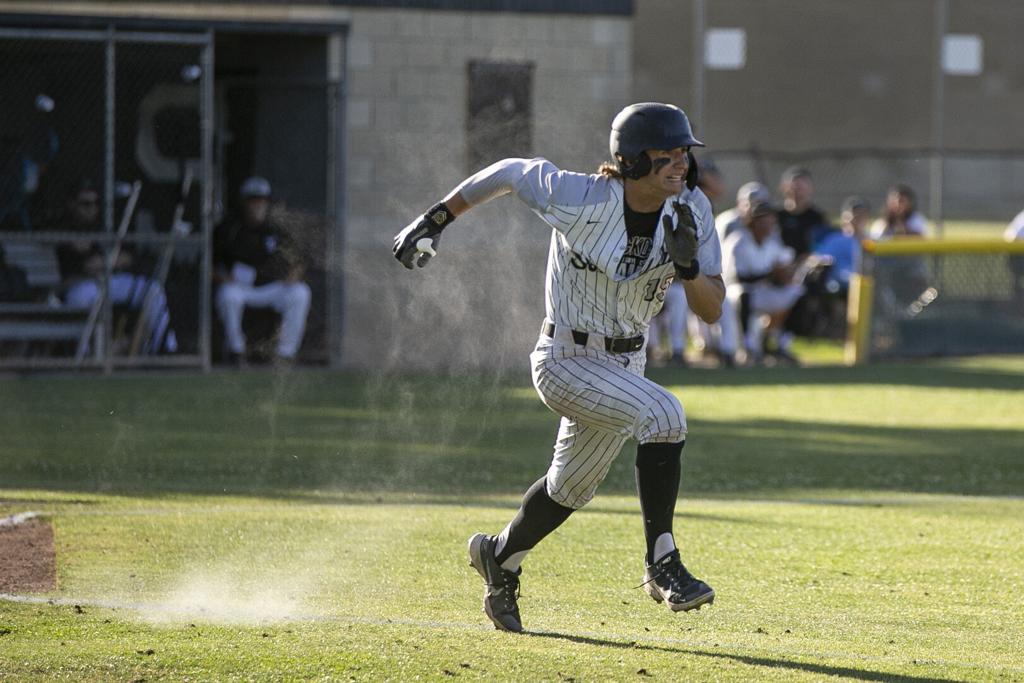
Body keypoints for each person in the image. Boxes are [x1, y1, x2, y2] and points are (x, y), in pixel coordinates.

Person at [393, 103, 724, 632]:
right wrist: (436, 219)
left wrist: (687, 269)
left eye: (685, 153)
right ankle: (663, 564)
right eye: (668, 154)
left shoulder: (693, 210)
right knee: (665, 416)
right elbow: (508, 172)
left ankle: (499, 557)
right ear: (633, 160)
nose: (681, 164)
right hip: (566, 358)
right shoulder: (582, 196)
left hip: (626, 362)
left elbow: (712, 308)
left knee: (569, 490)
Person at [55, 180, 177, 354]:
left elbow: (127, 257)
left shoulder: (104, 224)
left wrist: (105, 261)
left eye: (95, 204)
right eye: (85, 204)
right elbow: (85, 265)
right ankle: (84, 354)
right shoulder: (64, 227)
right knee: (80, 298)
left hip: (111, 281)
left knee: (153, 289)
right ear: (72, 204)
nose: (92, 209)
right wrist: (108, 261)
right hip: (81, 285)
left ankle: (165, 349)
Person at [213, 177, 311, 366]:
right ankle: (237, 352)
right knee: (227, 295)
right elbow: (209, 264)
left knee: (300, 293)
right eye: (252, 200)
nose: (257, 205)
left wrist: (295, 273)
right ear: (243, 202)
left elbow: (299, 259)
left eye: (261, 200)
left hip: (273, 285)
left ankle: (285, 355)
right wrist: (222, 278)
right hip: (241, 287)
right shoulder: (229, 228)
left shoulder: (276, 228)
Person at [723, 200, 805, 364]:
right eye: (764, 219)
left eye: (771, 219)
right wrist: (771, 273)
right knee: (743, 294)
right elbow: (738, 278)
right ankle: (747, 346)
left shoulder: (772, 243)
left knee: (798, 292)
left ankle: (778, 342)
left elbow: (784, 267)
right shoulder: (739, 241)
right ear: (753, 221)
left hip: (762, 291)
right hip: (733, 291)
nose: (768, 224)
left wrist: (790, 271)